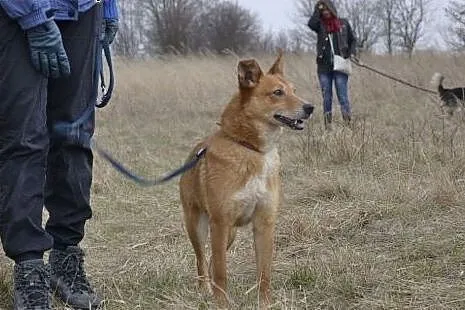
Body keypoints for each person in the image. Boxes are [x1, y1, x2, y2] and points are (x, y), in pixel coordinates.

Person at [0, 0, 118, 309]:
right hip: (20, 12)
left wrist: (108, 8)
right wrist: (34, 16)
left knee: (75, 137)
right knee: (24, 138)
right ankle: (29, 267)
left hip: (86, 9)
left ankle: (66, 256)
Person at [308, 0, 357, 130]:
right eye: (323, 11)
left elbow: (353, 40)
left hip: (341, 65)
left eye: (327, 10)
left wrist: (352, 53)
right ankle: (328, 125)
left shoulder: (343, 23)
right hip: (324, 67)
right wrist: (317, 7)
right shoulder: (319, 25)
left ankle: (348, 124)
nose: (325, 12)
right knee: (327, 97)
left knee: (342, 96)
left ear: (332, 10)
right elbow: (311, 23)